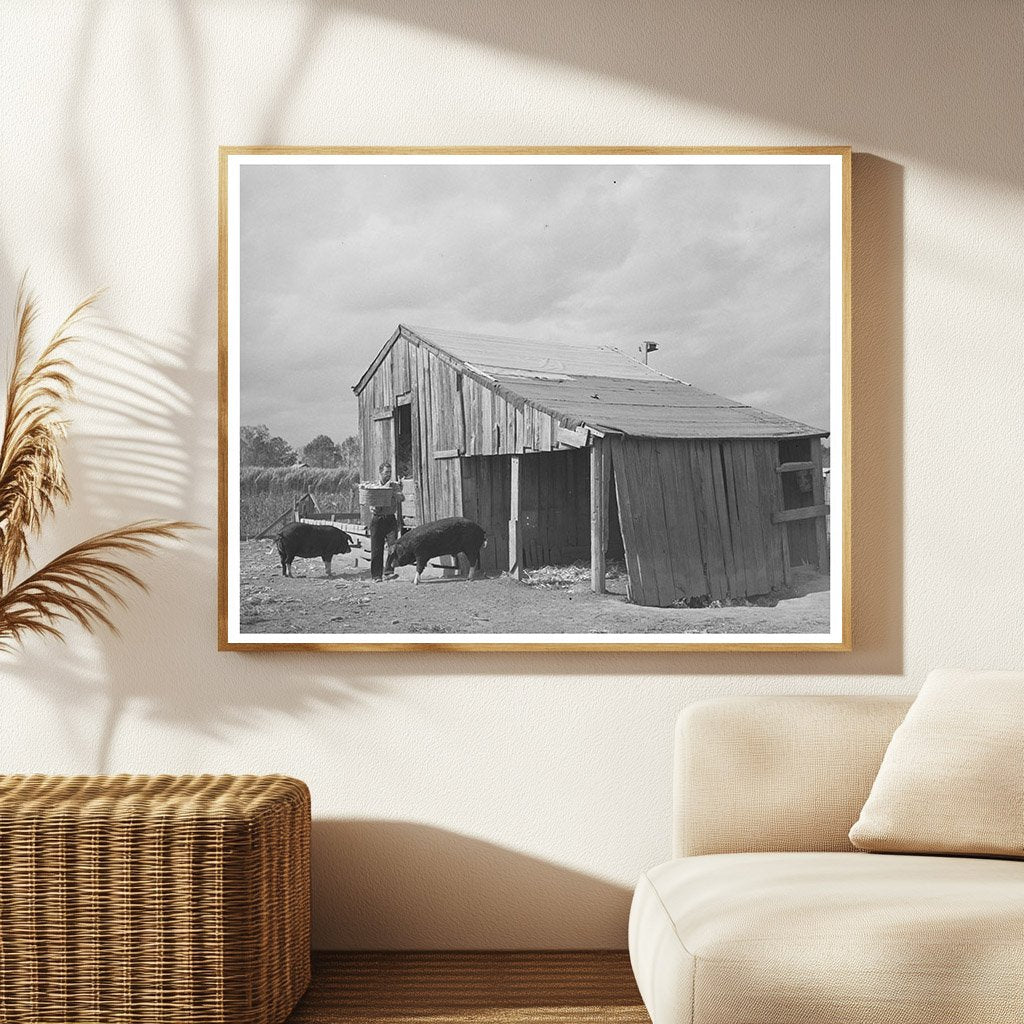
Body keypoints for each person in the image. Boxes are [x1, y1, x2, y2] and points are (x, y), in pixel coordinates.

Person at [368, 461, 402, 582]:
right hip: (377, 519)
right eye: (386, 472)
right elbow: (369, 502)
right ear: (380, 473)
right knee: (376, 548)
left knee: (393, 545)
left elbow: (401, 498)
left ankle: (388, 571)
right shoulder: (373, 486)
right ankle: (376, 575)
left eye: (390, 472)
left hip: (390, 518)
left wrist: (394, 493)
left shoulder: (394, 485)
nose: (389, 475)